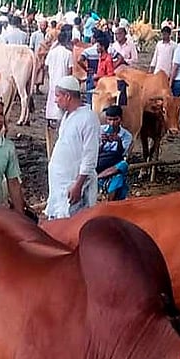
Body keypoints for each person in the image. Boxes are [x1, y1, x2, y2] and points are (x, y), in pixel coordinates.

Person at [44, 75, 98, 219]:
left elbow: (90, 156)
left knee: (73, 226)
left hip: (73, 185)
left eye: (57, 96)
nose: (55, 100)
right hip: (60, 184)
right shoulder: (68, 116)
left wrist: (78, 185)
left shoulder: (89, 118)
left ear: (68, 96)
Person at [96, 104, 133, 201]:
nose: (112, 123)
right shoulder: (100, 130)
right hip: (100, 161)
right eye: (109, 120)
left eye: (115, 119)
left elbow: (122, 154)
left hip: (114, 162)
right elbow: (94, 151)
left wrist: (119, 141)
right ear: (106, 119)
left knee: (123, 166)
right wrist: (102, 143)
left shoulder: (126, 135)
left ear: (120, 119)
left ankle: (97, 177)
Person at [44, 25, 75, 126]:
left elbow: (46, 65)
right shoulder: (68, 53)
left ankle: (49, 118)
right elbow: (70, 69)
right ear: (66, 41)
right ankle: (60, 119)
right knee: (62, 100)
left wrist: (49, 76)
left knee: (52, 97)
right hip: (63, 80)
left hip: (53, 79)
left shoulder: (52, 52)